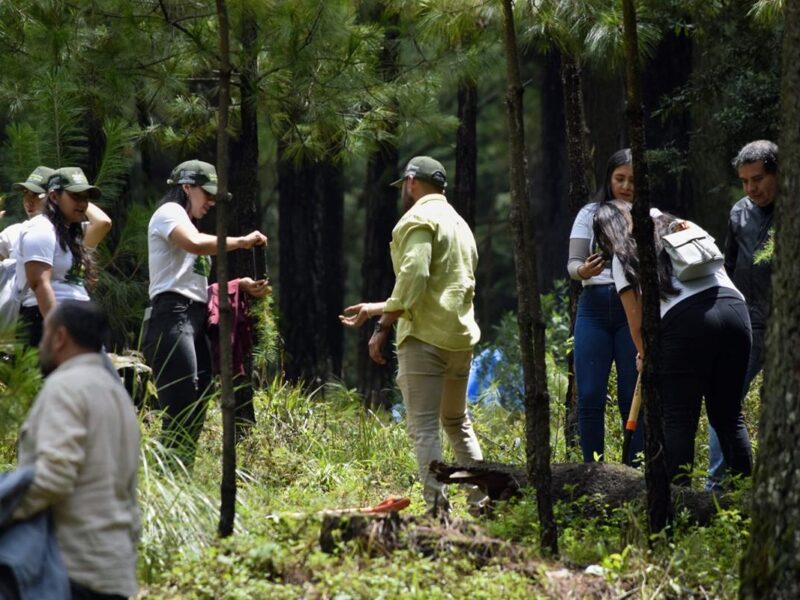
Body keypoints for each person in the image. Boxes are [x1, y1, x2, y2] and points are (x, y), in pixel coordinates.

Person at [340, 156, 487, 515]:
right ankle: (484, 505)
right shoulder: (460, 224)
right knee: (456, 422)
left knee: (424, 428)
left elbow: (415, 276)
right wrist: (377, 309)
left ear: (410, 182)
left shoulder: (418, 219)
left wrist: (383, 326)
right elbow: (438, 284)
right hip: (460, 339)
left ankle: (438, 510)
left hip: (424, 338)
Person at [594, 202, 753, 486]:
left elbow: (636, 321)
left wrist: (645, 354)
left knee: (679, 419)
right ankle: (747, 502)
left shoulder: (624, 255)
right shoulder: (683, 225)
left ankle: (680, 506)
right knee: (729, 417)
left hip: (685, 325)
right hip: (735, 312)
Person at [11, 300, 140, 599]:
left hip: (70, 573)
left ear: (60, 337)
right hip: (115, 571)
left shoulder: (66, 386)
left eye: (44, 334)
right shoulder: (117, 395)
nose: (40, 343)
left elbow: (53, 477)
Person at [143, 159, 268, 468]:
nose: (211, 201)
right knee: (182, 402)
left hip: (192, 320)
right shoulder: (169, 214)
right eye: (207, 193)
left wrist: (239, 285)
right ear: (186, 187)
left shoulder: (188, 224)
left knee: (197, 403)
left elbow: (197, 286)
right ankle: (165, 478)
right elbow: (196, 245)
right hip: (170, 318)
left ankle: (179, 476)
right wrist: (241, 242)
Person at [707, 140, 777, 486]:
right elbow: (728, 268)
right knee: (723, 402)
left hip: (788, 327)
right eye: (745, 181)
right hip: (747, 324)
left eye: (759, 179)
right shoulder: (739, 213)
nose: (752, 188)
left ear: (777, 174)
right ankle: (720, 487)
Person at [567, 149, 643, 463]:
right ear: (609, 179)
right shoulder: (590, 213)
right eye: (619, 179)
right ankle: (592, 470)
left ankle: (635, 471)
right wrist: (583, 271)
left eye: (632, 181)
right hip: (594, 308)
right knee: (589, 395)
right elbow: (572, 263)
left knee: (632, 396)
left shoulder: (648, 215)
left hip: (633, 311)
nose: (626, 186)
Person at [16, 167, 112, 345]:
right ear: (53, 197)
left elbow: (103, 223)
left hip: (78, 320)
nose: (82, 203)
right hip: (46, 321)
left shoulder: (72, 234)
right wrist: (59, 331)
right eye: (75, 196)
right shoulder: (41, 228)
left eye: (85, 197)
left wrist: (74, 192)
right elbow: (39, 283)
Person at [0, 166, 55, 259]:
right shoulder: (14, 232)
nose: (28, 201)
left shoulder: (70, 232)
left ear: (54, 197)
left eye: (36, 194)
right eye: (25, 193)